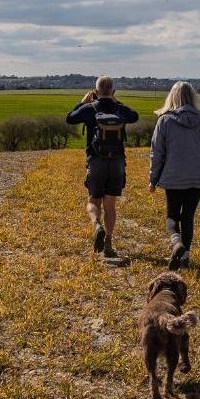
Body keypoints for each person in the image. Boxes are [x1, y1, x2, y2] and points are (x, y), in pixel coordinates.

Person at [148, 81, 200, 271]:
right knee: (188, 216)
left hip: (173, 176)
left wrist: (153, 179)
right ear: (192, 97)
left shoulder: (164, 121)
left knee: (172, 214)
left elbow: (157, 153)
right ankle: (185, 256)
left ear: (172, 97)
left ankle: (176, 243)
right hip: (198, 176)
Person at [66, 76, 139, 261]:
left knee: (93, 201)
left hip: (96, 160)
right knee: (110, 205)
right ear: (113, 91)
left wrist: (81, 102)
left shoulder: (89, 109)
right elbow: (135, 116)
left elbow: (69, 119)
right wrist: (117, 102)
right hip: (116, 162)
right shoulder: (119, 109)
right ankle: (108, 243)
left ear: (96, 92)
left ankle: (97, 224)